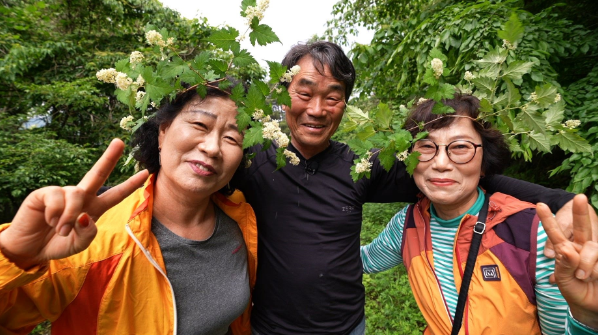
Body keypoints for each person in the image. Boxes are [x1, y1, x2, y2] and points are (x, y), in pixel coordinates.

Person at [238, 41, 591, 335]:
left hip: (346, 327)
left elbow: (451, 177)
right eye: (304, 92)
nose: (316, 109)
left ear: (345, 104)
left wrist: (562, 202)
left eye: (332, 97)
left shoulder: (358, 167)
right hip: (269, 326)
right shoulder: (247, 158)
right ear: (284, 92)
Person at [0, 83, 258, 335]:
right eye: (200, 124)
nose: (212, 148)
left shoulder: (241, 220)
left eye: (232, 139)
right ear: (162, 131)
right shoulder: (91, 241)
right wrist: (12, 254)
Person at [360, 94, 598, 334]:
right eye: (426, 146)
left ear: (485, 163)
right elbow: (363, 261)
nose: (441, 163)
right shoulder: (407, 224)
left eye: (461, 146)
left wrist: (587, 317)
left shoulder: (534, 234)